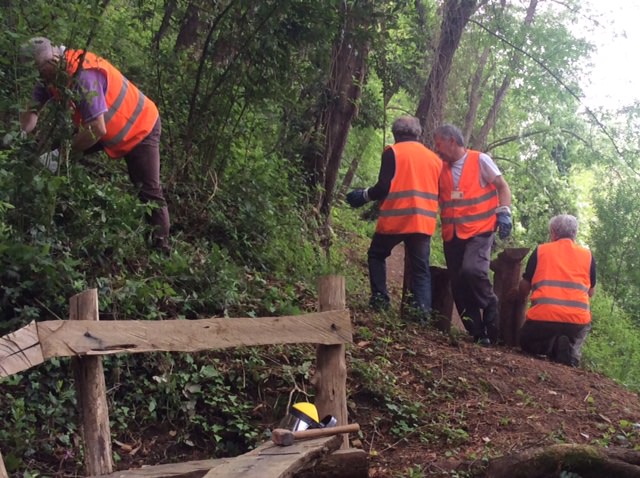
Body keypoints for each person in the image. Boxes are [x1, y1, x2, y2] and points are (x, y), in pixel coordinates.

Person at [19, 37, 170, 252]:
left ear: (52, 61)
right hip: (102, 126)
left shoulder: (83, 74)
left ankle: (161, 248)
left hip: (141, 126)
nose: (39, 78)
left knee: (148, 190)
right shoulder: (48, 75)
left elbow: (97, 129)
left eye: (40, 71)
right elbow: (32, 111)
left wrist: (62, 154)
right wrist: (20, 138)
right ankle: (49, 213)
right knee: (53, 154)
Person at [346, 115, 442, 321]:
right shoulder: (434, 159)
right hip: (423, 222)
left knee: (376, 254)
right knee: (421, 270)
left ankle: (380, 301)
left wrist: (362, 195)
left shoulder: (393, 152)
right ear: (418, 133)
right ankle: (422, 315)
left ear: (396, 133)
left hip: (396, 218)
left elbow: (383, 187)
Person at [434, 124, 512, 346]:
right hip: (453, 234)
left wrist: (505, 212)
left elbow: (502, 187)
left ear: (452, 141)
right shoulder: (441, 168)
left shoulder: (480, 160)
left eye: (439, 144)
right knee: (458, 284)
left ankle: (489, 305)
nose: (437, 149)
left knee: (473, 270)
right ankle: (477, 333)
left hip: (480, 230)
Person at [517, 214, 595, 367]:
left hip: (543, 319)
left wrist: (518, 293)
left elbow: (524, 288)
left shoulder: (541, 251)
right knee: (577, 332)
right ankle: (570, 352)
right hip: (576, 322)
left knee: (526, 342)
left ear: (553, 232)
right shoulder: (588, 256)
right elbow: (590, 293)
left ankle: (551, 346)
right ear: (575, 233)